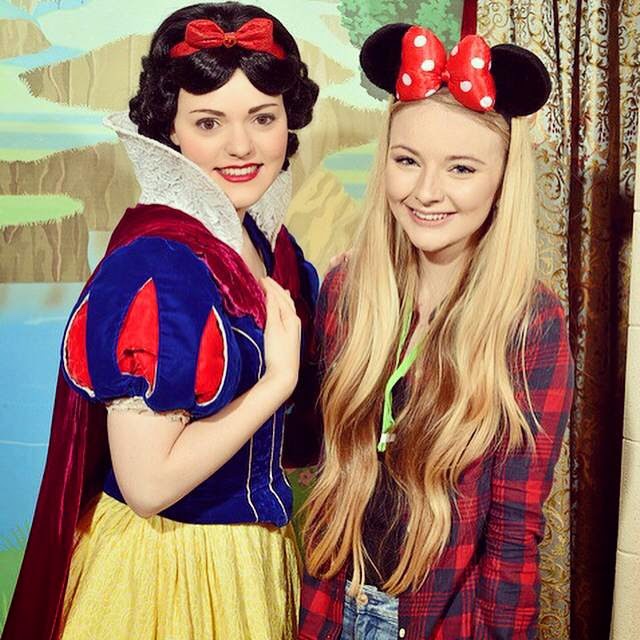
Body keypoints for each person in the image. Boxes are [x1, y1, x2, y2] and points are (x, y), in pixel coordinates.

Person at [3, 3, 319, 639]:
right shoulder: (157, 269)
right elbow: (148, 486)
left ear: (290, 121)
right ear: (169, 128)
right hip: (169, 571)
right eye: (209, 122)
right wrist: (275, 385)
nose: (241, 146)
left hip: (251, 561)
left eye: (263, 117)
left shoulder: (269, 248)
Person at [299, 23, 574, 640]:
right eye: (407, 161)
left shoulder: (530, 324)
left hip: (438, 623)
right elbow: (312, 457)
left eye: (461, 168)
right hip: (327, 606)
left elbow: (513, 532)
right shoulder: (347, 289)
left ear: (501, 182)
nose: (426, 192)